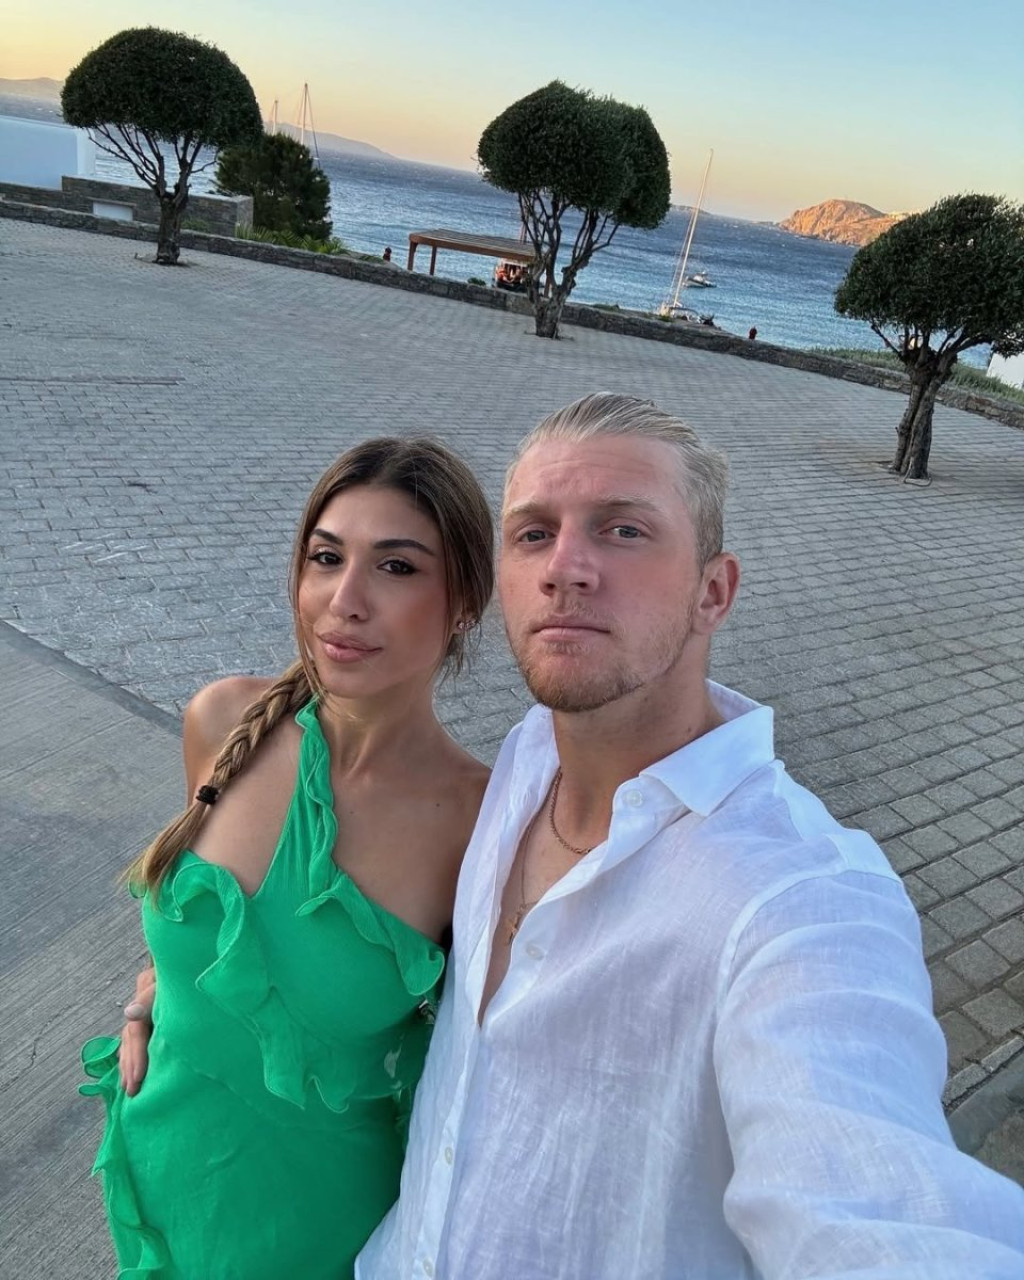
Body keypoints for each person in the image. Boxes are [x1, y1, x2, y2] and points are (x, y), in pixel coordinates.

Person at [354, 393, 1024, 1278]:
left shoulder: (801, 901)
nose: (566, 568)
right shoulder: (524, 761)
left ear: (714, 592)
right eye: (533, 534)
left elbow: (875, 1210)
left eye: (624, 531)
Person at [80, 437, 494, 1280]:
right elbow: (206, 929)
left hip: (319, 1233)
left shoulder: (481, 822)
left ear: (465, 603)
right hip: (161, 1173)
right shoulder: (226, 720)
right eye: (326, 558)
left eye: (397, 567)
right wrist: (149, 997)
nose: (345, 601)